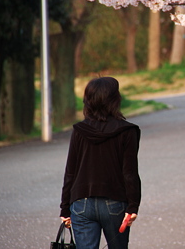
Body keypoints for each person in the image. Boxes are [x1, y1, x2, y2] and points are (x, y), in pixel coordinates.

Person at [59, 77, 141, 249]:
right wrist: (133, 206)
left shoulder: (79, 130)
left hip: (81, 203)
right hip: (115, 203)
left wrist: (65, 208)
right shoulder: (127, 131)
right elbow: (130, 172)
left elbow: (70, 172)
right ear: (114, 100)